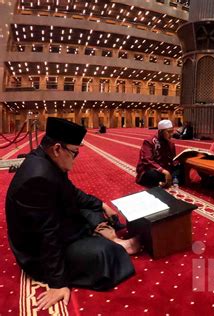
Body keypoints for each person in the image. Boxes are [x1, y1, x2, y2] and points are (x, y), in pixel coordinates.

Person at [6, 117, 137, 310]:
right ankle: (115, 244)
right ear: (58, 149)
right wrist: (58, 283)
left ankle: (110, 238)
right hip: (37, 251)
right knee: (104, 255)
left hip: (54, 222)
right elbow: (47, 235)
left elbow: (71, 192)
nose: (76, 158)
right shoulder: (38, 177)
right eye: (74, 153)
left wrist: (100, 204)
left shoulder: (47, 159)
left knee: (91, 209)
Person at [136, 119, 180, 187]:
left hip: (165, 168)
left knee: (181, 167)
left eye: (172, 132)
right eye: (168, 132)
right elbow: (147, 161)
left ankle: (168, 180)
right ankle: (169, 180)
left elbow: (173, 159)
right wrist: (163, 171)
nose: (171, 135)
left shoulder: (171, 143)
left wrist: (177, 163)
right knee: (152, 175)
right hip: (152, 169)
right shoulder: (149, 142)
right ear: (161, 132)